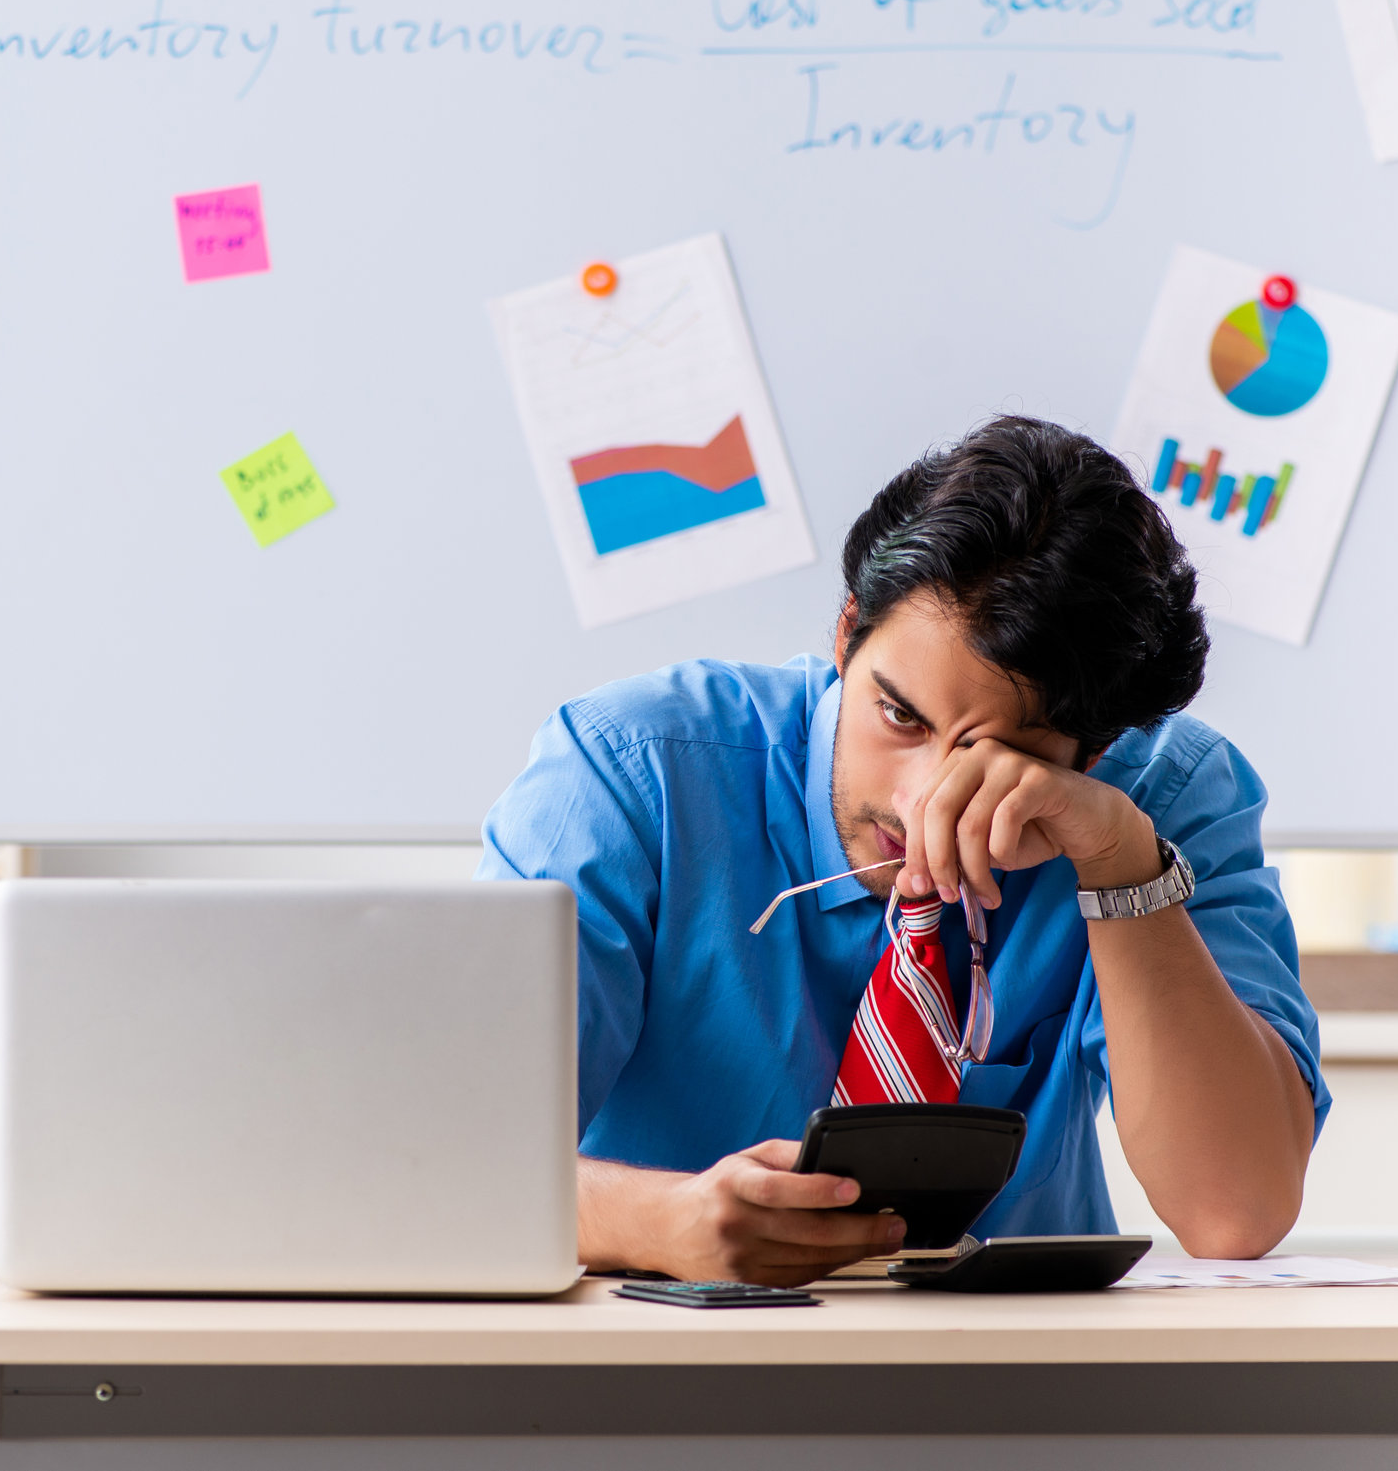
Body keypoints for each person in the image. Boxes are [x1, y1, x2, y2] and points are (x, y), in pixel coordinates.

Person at [479, 416, 1324, 1286]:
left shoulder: (1161, 805)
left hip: (1022, 1391)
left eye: (1012, 759)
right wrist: (658, 1222)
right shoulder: (631, 774)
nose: (926, 800)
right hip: (650, 1379)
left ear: (1096, 753)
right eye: (900, 716)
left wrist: (1119, 868)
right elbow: (447, 1157)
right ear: (846, 632)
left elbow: (1235, 1210)